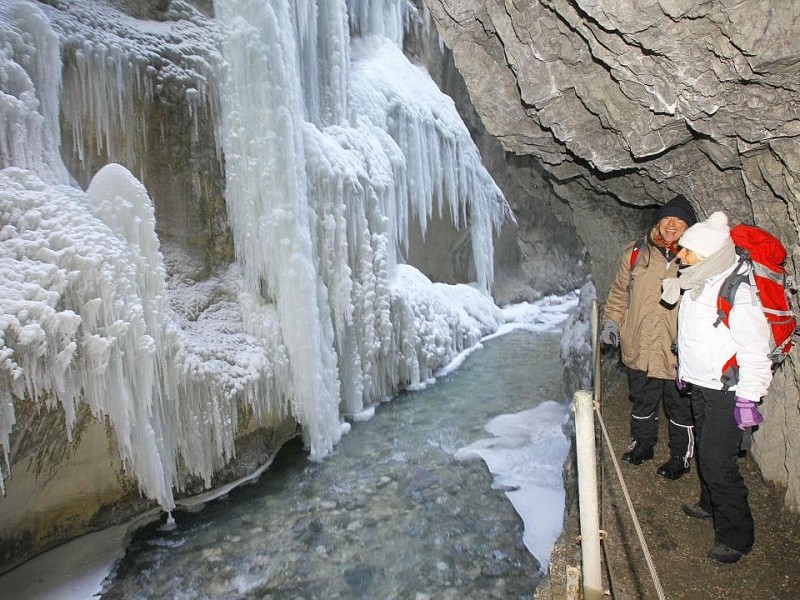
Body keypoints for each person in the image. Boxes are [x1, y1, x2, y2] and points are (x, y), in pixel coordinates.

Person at [661, 211, 772, 564]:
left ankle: (737, 537)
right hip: (700, 384)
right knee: (710, 456)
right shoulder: (699, 280)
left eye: (688, 252)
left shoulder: (737, 291)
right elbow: (696, 337)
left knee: (718, 462)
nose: (681, 256)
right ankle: (710, 505)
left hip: (727, 392)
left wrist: (749, 398)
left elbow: (755, 350)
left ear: (708, 254)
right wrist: (685, 370)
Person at [600, 195, 696, 479]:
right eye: (667, 218)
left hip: (676, 349)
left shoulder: (695, 259)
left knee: (680, 407)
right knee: (642, 399)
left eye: (679, 221)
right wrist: (611, 323)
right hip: (639, 343)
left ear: (688, 227)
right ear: (658, 221)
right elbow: (619, 293)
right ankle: (643, 444)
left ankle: (680, 456)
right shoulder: (636, 253)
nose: (671, 225)